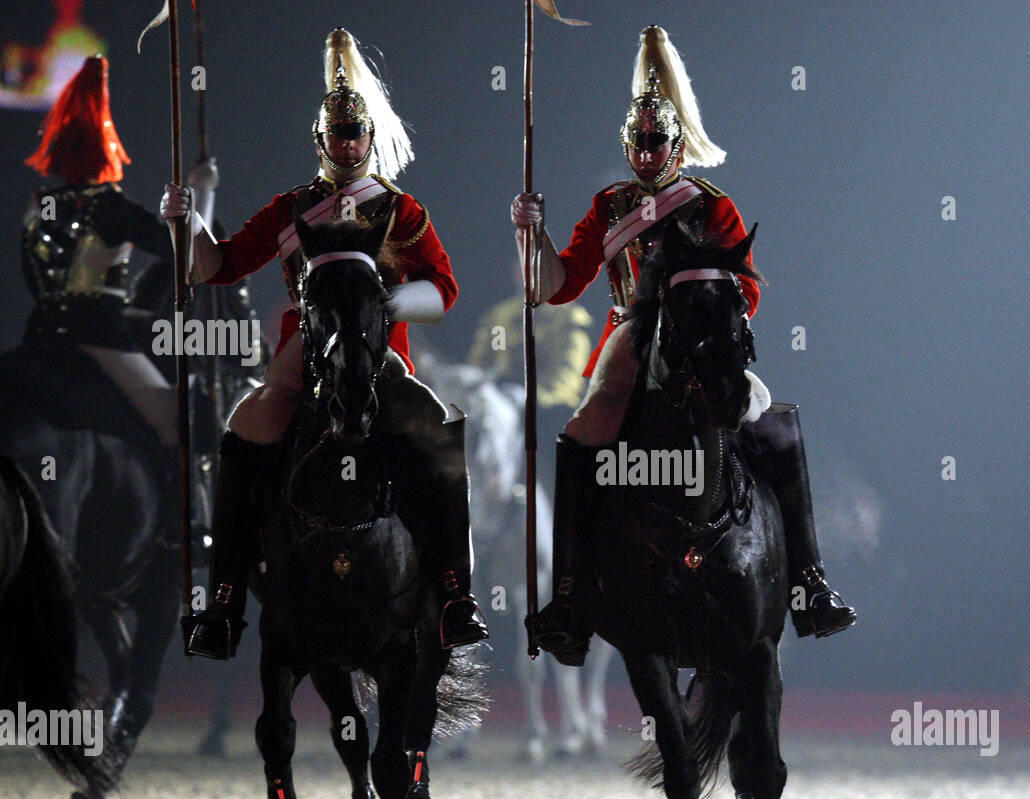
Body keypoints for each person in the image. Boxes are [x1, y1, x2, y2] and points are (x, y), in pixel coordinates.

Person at [511, 25, 855, 662]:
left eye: (657, 142)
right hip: (627, 340)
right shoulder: (610, 206)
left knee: (770, 423)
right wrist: (532, 234)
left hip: (698, 341)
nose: (646, 152)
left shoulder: (709, 205)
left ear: (675, 145)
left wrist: (706, 328)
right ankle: (569, 596)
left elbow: (744, 290)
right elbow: (555, 288)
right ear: (627, 144)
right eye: (638, 142)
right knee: (582, 433)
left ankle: (809, 581)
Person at [163, 27, 488, 659]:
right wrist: (187, 218)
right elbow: (215, 267)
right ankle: (224, 599)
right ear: (321, 140)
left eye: (355, 134)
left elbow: (443, 289)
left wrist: (384, 307)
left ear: (370, 139)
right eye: (336, 135)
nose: (346, 145)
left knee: (439, 429)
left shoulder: (401, 210)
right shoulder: (290, 208)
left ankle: (455, 594)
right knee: (248, 425)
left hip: (377, 350)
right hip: (302, 349)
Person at [20, 55, 177, 454]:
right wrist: (198, 195)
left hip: (40, 331)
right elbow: (178, 251)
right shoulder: (110, 206)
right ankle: (186, 514)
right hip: (100, 334)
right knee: (173, 418)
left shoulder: (41, 203)